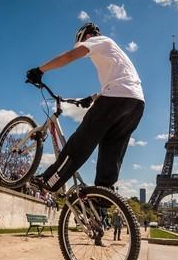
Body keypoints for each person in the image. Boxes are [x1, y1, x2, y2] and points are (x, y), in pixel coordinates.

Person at [26, 22, 145, 194]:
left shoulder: (98, 40)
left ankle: (49, 180)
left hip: (116, 98)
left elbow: (69, 56)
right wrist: (91, 98)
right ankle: (103, 197)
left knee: (81, 142)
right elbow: (123, 84)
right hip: (136, 104)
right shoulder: (114, 51)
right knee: (112, 151)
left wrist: (40, 70)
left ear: (86, 37)